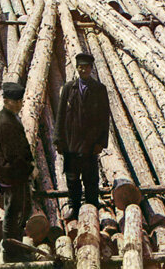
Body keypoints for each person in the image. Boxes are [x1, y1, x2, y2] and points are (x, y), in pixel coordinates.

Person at [55, 52, 110, 221]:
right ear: (77, 69)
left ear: (91, 69)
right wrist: (58, 140)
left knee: (91, 177)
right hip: (71, 142)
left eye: (86, 67)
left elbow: (104, 118)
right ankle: (74, 207)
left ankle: (92, 205)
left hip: (90, 143)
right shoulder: (68, 88)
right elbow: (61, 115)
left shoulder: (99, 90)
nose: (83, 70)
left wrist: (101, 142)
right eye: (80, 67)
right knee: (72, 177)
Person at [0, 81, 35, 261]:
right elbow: (14, 155)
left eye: (20, 101)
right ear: (6, 101)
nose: (19, 105)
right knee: (13, 215)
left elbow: (22, 145)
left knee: (19, 213)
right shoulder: (5, 123)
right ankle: (10, 252)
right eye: (15, 102)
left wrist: (30, 161)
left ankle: (16, 247)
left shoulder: (11, 117)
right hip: (12, 175)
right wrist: (30, 169)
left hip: (15, 174)